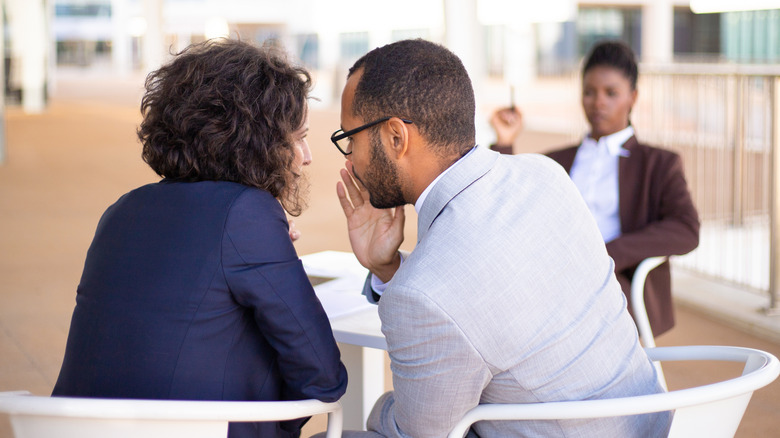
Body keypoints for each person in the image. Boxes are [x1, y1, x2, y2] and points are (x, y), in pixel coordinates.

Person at [329, 38, 671, 438]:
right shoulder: (546, 176)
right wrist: (388, 268)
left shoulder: (425, 293)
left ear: (396, 138)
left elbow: (418, 433)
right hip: (652, 419)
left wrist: (376, 411)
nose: (349, 158)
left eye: (350, 137)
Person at [52, 39, 348, 438]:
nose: (307, 155)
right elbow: (323, 376)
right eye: (297, 137)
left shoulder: (121, 211)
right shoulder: (247, 213)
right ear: (256, 142)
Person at [490, 40, 700, 338]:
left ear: (633, 97)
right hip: (555, 278)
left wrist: (607, 255)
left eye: (611, 93)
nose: (598, 102)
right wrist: (504, 140)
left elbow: (686, 229)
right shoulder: (556, 162)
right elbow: (508, 204)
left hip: (616, 283)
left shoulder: (659, 163)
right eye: (589, 92)